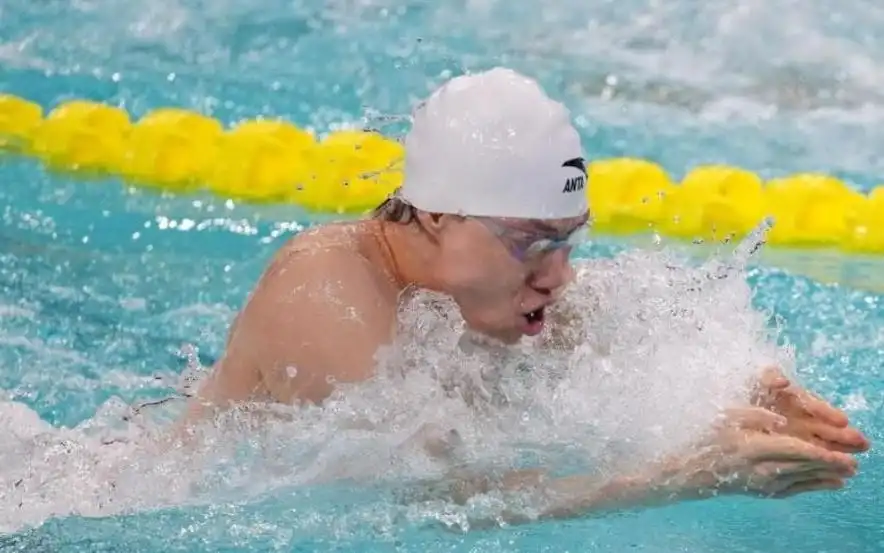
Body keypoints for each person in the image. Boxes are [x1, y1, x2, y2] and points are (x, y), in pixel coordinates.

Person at [182, 67, 869, 520]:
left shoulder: (496, 293)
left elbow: (647, 344)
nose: (558, 276)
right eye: (532, 242)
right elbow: (421, 505)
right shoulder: (324, 287)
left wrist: (741, 400)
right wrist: (676, 476)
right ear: (437, 215)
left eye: (568, 240)